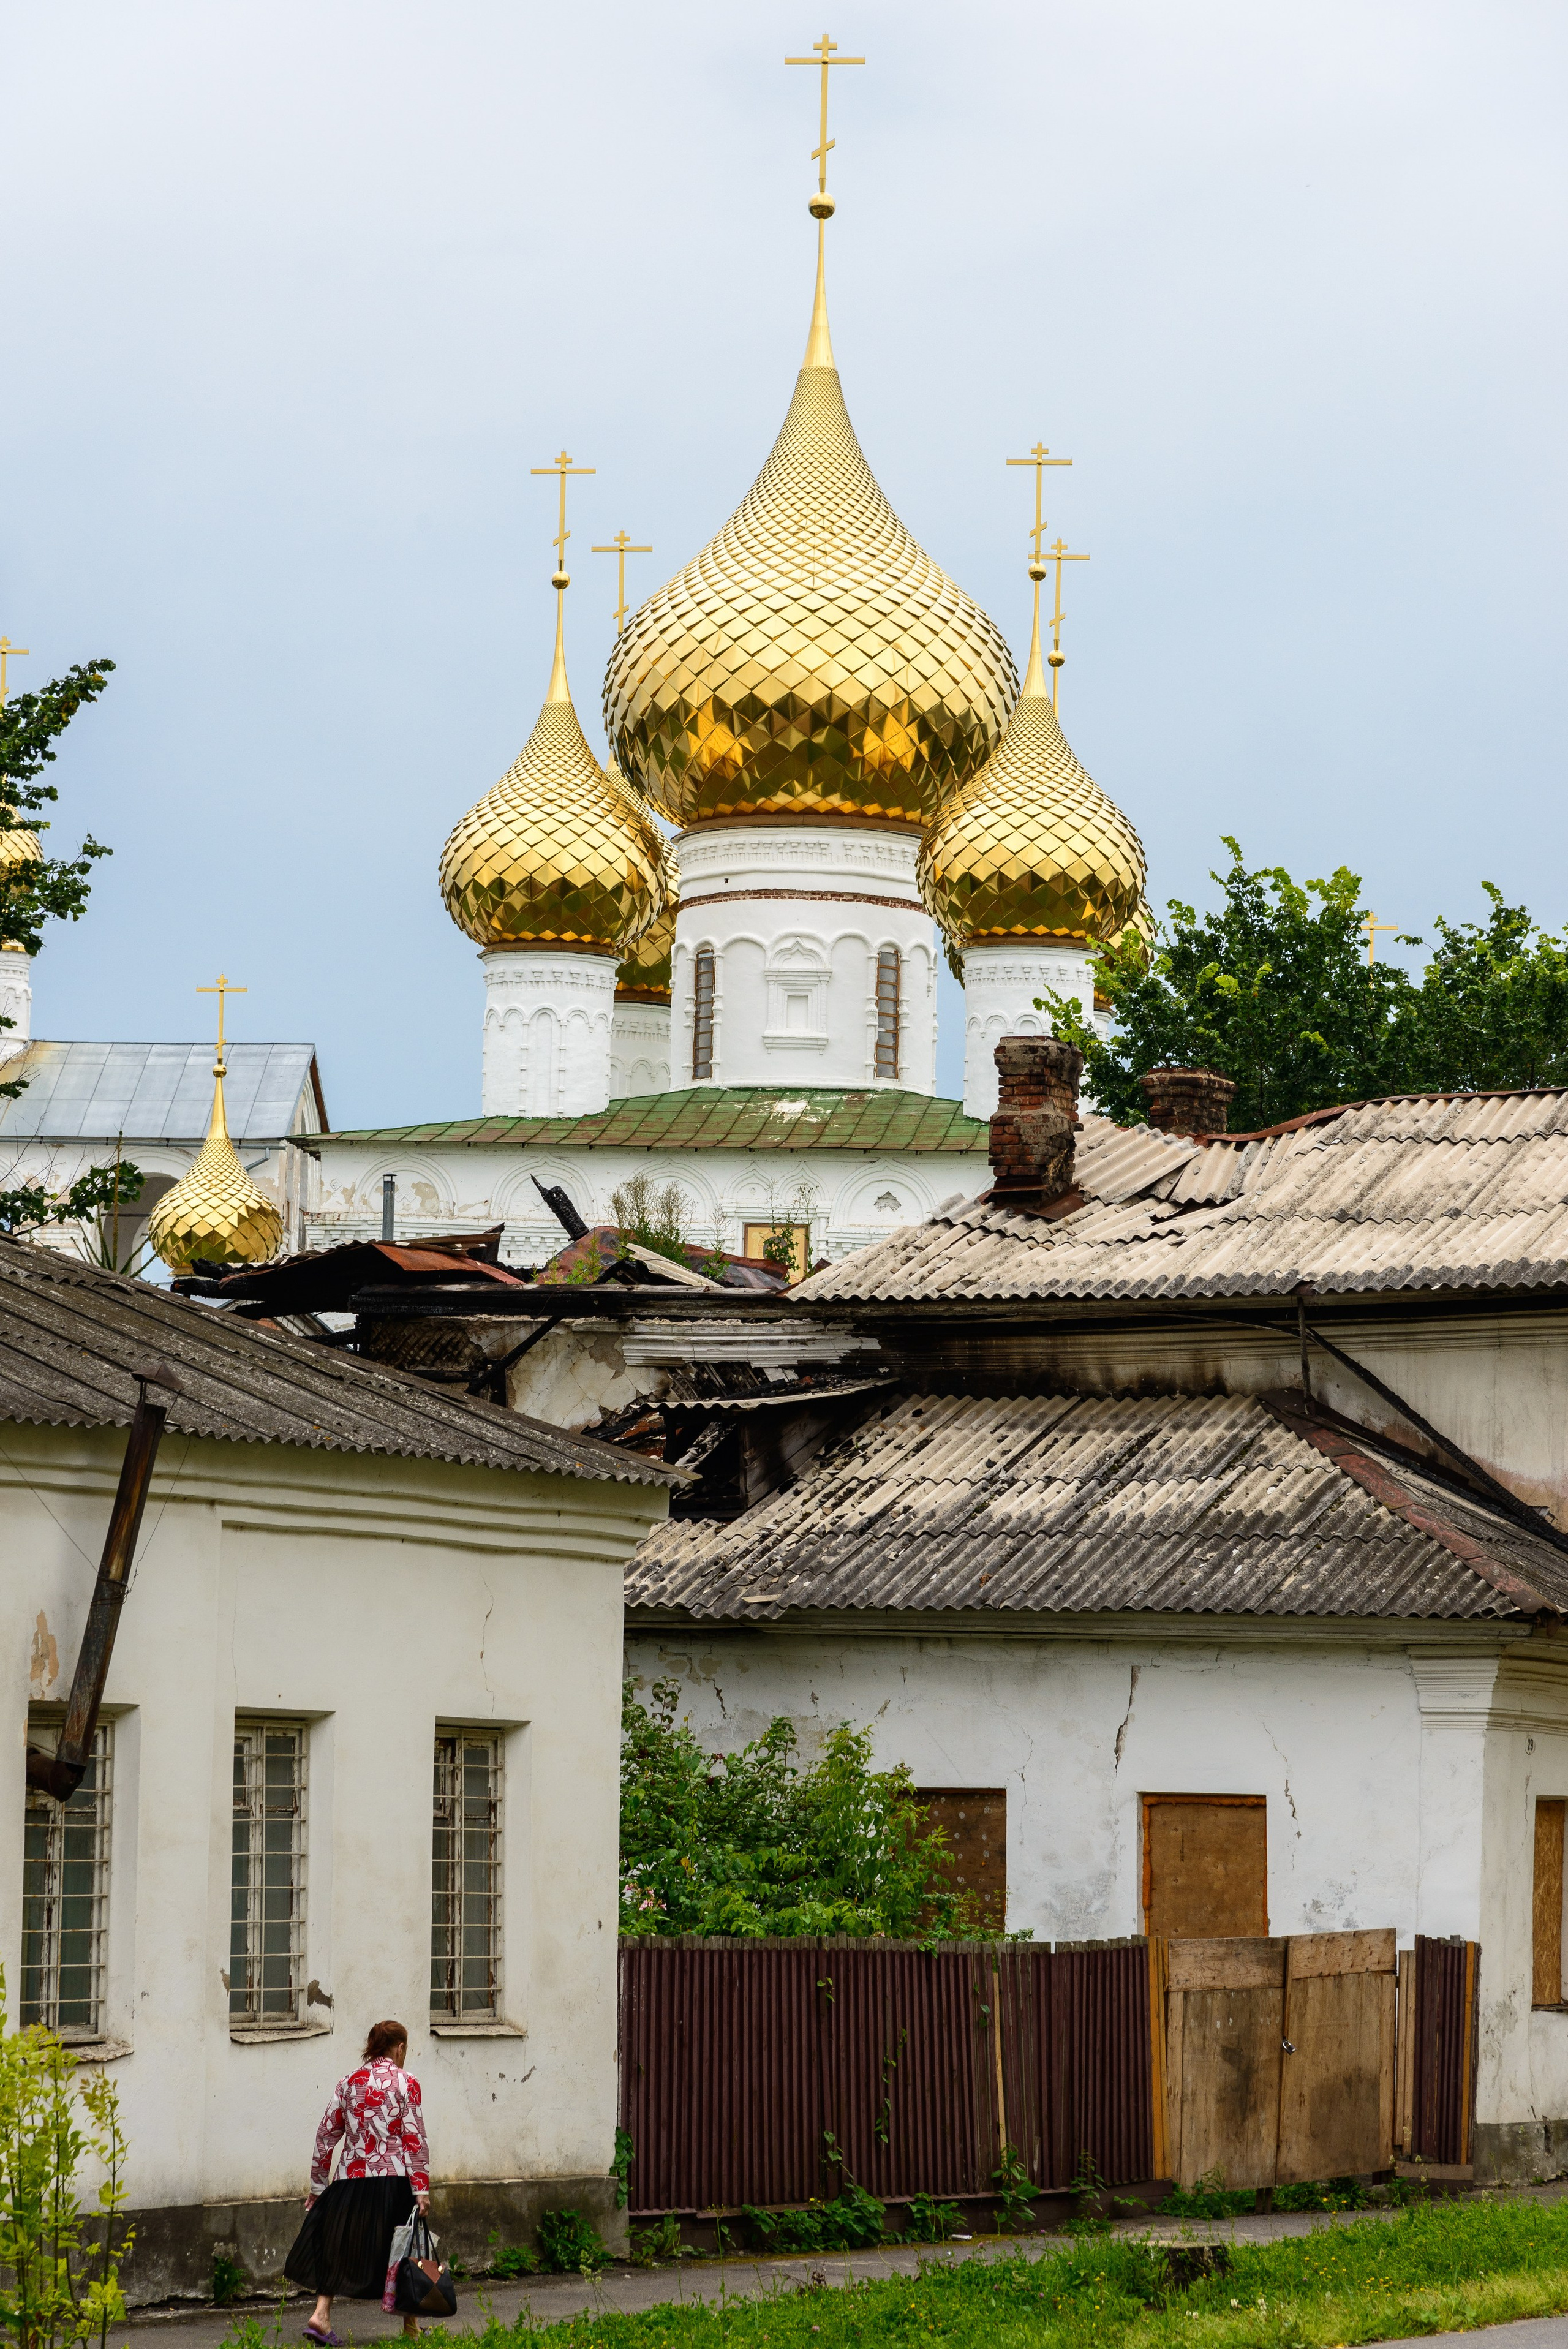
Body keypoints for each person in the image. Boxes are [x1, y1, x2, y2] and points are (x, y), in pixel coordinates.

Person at [284, 2019, 431, 2345]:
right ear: (400, 2048)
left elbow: (326, 2134)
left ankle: (320, 2315)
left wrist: (318, 2188)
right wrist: (421, 2189)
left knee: (338, 2245)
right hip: (394, 2180)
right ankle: (411, 2327)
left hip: (350, 2179)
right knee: (405, 2249)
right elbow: (414, 2139)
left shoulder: (348, 2082)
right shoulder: (408, 2082)